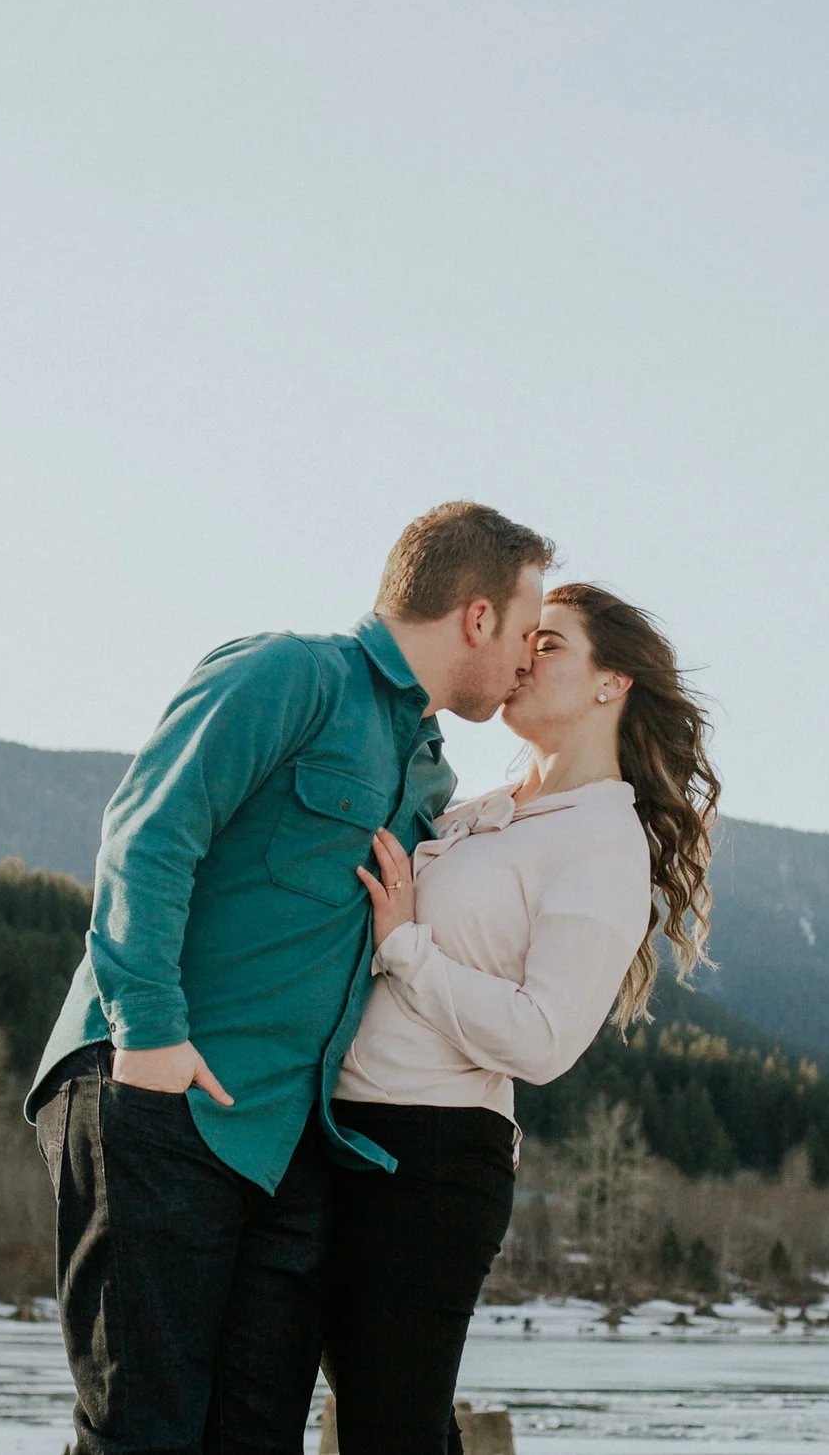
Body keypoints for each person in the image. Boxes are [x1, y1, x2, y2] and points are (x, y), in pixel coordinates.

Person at [25, 502, 556, 1455]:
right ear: (476, 616)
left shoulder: (430, 774)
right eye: (526, 630)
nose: (530, 657)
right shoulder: (291, 675)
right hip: (155, 1091)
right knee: (141, 1436)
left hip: (289, 1148)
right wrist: (147, 1032)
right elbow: (148, 830)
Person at [321, 583, 720, 1455]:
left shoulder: (603, 843)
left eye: (551, 645)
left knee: (393, 1434)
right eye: (523, 639)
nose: (521, 657)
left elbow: (543, 1041)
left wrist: (408, 949)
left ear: (611, 683)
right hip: (339, 1132)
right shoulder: (484, 814)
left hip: (427, 1158)